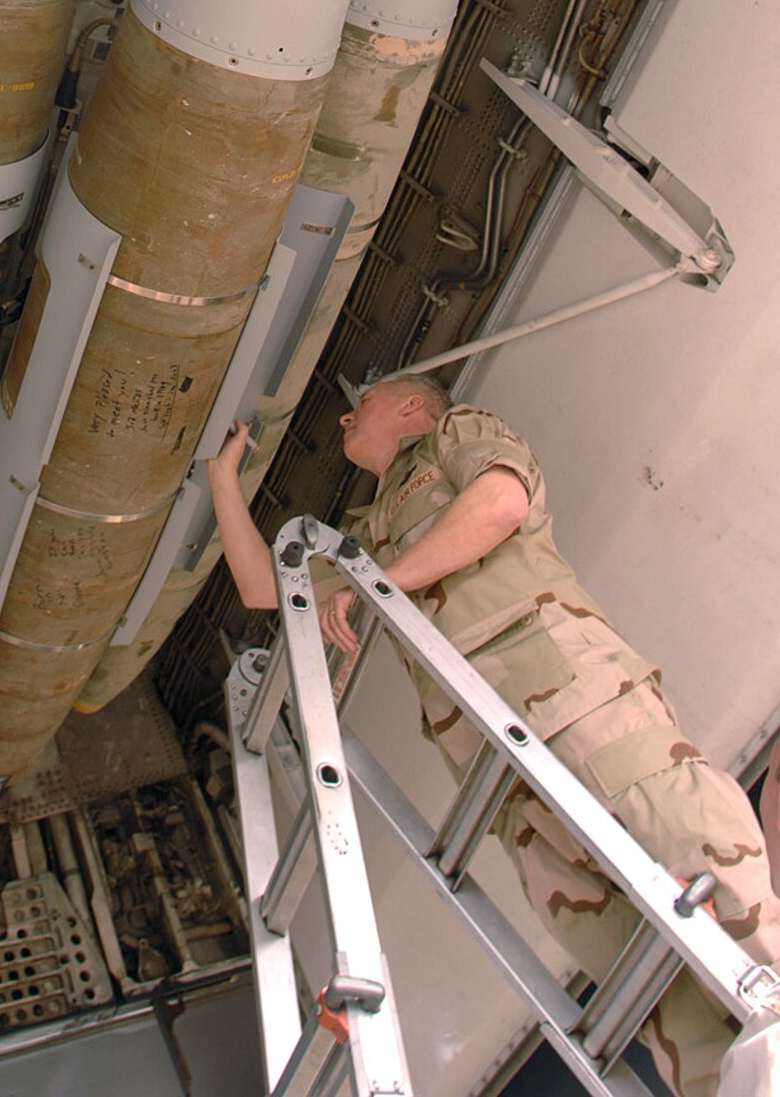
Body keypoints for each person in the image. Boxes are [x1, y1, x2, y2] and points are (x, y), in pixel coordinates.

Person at [207, 376, 780, 1097]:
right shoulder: (368, 535)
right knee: (649, 986)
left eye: (370, 398)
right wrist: (220, 477)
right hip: (503, 779)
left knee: (712, 885)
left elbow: (499, 503)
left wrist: (378, 586)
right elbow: (265, 586)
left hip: (577, 706)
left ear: (413, 407)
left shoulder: (454, 435)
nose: (349, 412)